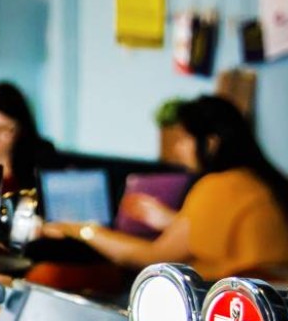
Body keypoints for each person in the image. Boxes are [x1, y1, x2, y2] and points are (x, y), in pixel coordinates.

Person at [42, 95, 288, 280]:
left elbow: (153, 258)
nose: (176, 149)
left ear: (211, 143)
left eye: (183, 139)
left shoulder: (219, 186)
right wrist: (171, 221)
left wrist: (82, 229)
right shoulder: (256, 180)